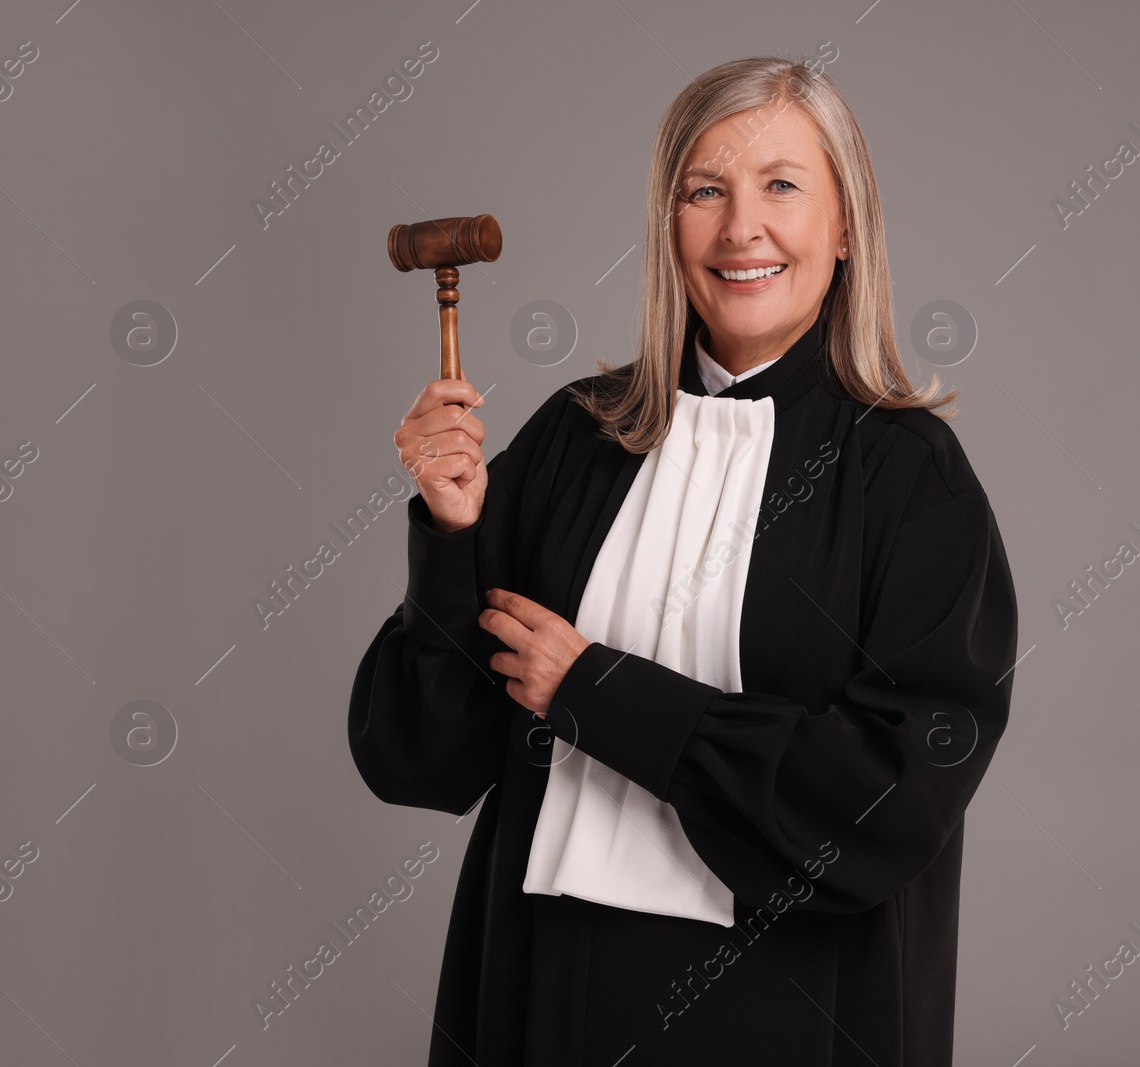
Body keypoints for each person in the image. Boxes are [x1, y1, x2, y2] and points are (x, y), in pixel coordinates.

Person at [348, 53, 1018, 1066]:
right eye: (705, 190)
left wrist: (600, 692)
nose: (740, 228)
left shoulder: (909, 477)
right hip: (540, 997)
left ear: (845, 226)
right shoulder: (578, 438)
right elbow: (417, 759)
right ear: (669, 226)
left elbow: (887, 801)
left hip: (788, 1013)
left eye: (780, 186)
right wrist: (450, 539)